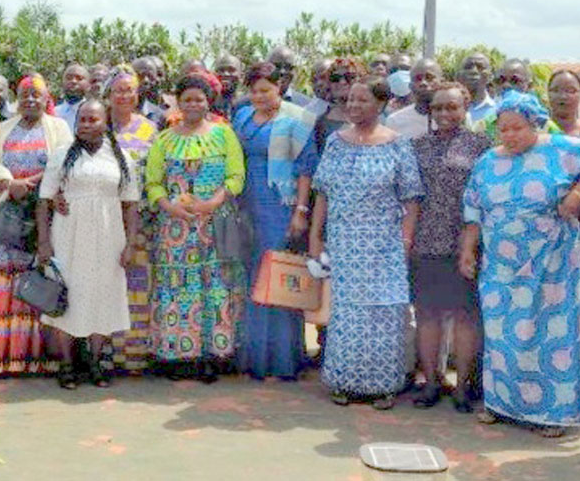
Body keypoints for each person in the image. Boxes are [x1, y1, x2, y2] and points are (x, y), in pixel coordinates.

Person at [460, 91, 580, 437]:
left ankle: (555, 414)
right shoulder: (487, 161)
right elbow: (473, 208)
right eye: (504, 129)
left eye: (518, 128)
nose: (510, 136)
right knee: (502, 335)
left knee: (551, 334)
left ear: (535, 124)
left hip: (552, 260)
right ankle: (502, 404)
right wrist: (468, 250)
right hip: (501, 265)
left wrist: (578, 193)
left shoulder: (561, 148)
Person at [308, 78, 423, 409]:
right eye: (350, 100)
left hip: (385, 242)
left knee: (385, 313)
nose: (354, 106)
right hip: (344, 241)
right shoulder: (335, 142)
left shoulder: (397, 144)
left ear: (381, 104)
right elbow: (323, 192)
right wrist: (317, 236)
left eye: (362, 100)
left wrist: (406, 239)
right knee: (346, 314)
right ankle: (343, 382)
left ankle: (384, 387)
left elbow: (411, 197)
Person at [145, 74, 247, 383]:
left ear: (208, 102)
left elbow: (236, 177)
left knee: (216, 287)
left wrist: (211, 204)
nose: (193, 105)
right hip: (174, 229)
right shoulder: (164, 139)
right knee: (178, 287)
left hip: (215, 224)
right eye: (187, 99)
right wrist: (171, 208)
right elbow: (153, 183)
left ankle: (213, 356)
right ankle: (178, 356)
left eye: (199, 99)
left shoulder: (223, 134)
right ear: (178, 102)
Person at [37, 100, 141, 389]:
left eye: (92, 119)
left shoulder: (121, 158)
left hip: (109, 238)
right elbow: (44, 201)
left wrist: (130, 244)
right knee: (68, 295)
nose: (85, 124)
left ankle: (96, 362)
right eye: (81, 119)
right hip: (68, 235)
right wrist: (44, 242)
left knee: (102, 296)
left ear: (105, 121)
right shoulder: (61, 156)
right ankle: (68, 364)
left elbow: (131, 205)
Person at [0, 74, 72, 375]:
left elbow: (65, 164)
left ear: (47, 99)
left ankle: (36, 359)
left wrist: (34, 183)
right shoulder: (2, 129)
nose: (30, 100)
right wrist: (11, 183)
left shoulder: (58, 128)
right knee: (5, 283)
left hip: (44, 217)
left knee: (39, 279)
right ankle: (4, 359)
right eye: (24, 94)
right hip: (9, 217)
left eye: (37, 95)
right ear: (16, 99)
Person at [407, 82, 491, 412]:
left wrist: (472, 243)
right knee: (427, 316)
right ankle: (430, 382)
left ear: (465, 108)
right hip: (426, 242)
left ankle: (462, 387)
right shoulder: (416, 147)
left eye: (452, 107)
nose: (445, 113)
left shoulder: (482, 146)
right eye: (438, 107)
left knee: (464, 317)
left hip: (465, 243)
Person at [232, 62, 317, 381]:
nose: (259, 96)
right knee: (252, 275)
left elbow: (306, 168)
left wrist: (300, 210)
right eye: (253, 90)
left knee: (277, 275)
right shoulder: (242, 116)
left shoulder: (297, 119)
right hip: (246, 200)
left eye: (266, 90)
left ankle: (282, 358)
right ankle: (254, 357)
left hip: (280, 204)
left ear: (280, 87)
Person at [96, 66, 162, 373]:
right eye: (118, 90)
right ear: (108, 95)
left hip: (142, 222)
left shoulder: (151, 130)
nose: (124, 95)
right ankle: (106, 354)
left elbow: (158, 175)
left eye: (130, 89)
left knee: (137, 284)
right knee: (106, 286)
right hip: (103, 221)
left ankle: (135, 355)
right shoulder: (96, 129)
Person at [385, 58, 445, 139]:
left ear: (442, 82)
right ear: (410, 86)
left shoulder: (455, 117)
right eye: (418, 79)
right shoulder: (395, 121)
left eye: (429, 78)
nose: (423, 83)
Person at [548, 70, 580, 138]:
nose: (563, 96)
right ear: (548, 94)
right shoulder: (537, 132)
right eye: (556, 90)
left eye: (570, 91)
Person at [456, 53, 497, 124]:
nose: (474, 71)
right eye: (468, 67)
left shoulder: (497, 110)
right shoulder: (447, 110)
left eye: (480, 67)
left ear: (490, 76)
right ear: (458, 76)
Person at [133, 56, 170, 125]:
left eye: (150, 76)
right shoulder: (120, 109)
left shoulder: (161, 116)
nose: (146, 80)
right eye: (141, 76)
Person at [55, 62, 91, 130]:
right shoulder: (54, 113)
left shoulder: (93, 113)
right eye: (69, 78)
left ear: (88, 85)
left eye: (79, 78)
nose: (73, 81)